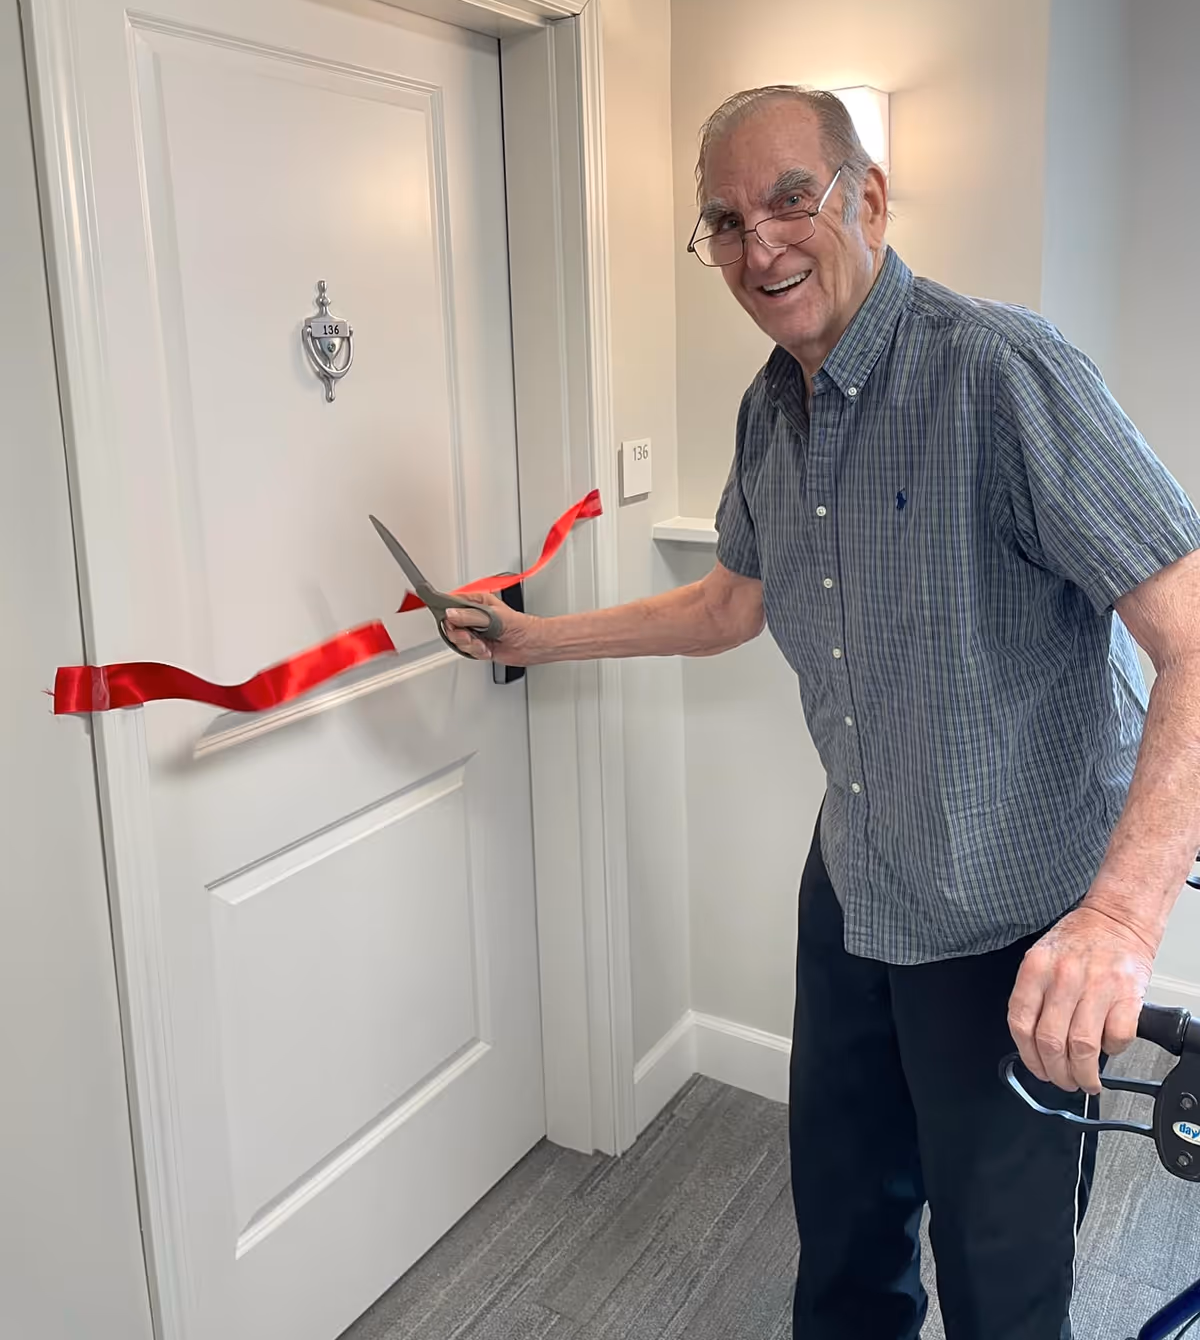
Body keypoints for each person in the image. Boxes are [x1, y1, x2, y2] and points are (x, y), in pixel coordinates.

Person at [443, 86, 1200, 1340]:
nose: (761, 247)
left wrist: (1120, 918)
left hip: (1008, 923)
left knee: (1005, 1290)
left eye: (791, 198)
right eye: (725, 223)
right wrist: (535, 635)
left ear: (870, 199)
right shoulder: (766, 409)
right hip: (851, 885)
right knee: (845, 1236)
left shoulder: (1003, 373)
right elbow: (732, 601)